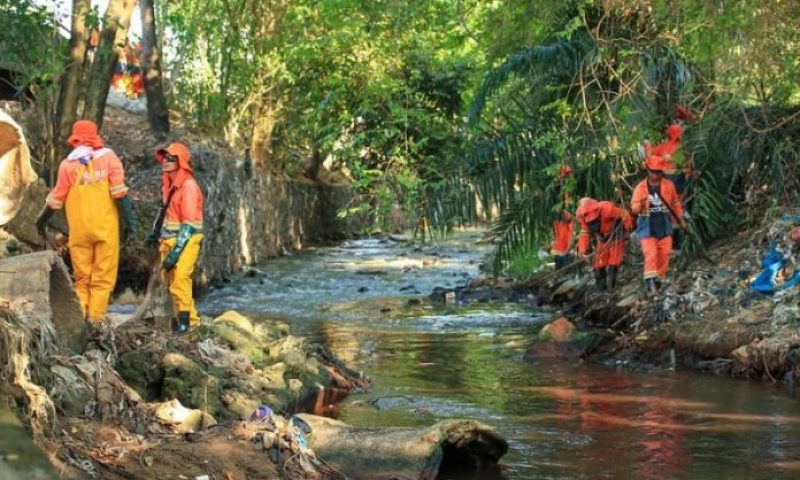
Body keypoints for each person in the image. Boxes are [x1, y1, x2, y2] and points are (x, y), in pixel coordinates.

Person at [35, 120, 137, 325]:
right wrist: (130, 224)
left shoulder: (67, 165)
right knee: (102, 280)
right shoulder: (109, 158)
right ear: (95, 135)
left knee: (82, 280)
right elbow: (120, 194)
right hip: (105, 231)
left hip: (80, 233)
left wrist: (40, 221)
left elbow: (55, 200)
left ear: (75, 138)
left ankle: (79, 322)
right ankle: (96, 322)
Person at [146, 142, 204, 334]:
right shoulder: (170, 185)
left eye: (171, 159)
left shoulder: (188, 187)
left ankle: (187, 325)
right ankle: (191, 320)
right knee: (172, 284)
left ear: (181, 162)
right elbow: (165, 212)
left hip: (186, 240)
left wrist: (176, 253)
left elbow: (189, 225)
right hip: (169, 239)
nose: (166, 162)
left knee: (180, 280)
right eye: (165, 158)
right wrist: (155, 233)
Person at [630, 155, 685, 296]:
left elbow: (675, 204)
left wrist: (680, 219)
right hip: (647, 227)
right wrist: (640, 205)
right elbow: (634, 208)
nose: (656, 174)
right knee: (651, 254)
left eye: (659, 172)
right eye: (653, 171)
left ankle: (658, 282)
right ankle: (650, 287)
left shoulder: (668, 185)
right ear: (648, 171)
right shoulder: (640, 188)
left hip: (664, 225)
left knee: (665, 254)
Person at [576, 197, 632, 291]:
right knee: (598, 263)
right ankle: (601, 288)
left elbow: (625, 214)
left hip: (615, 236)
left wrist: (627, 232)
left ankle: (611, 288)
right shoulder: (582, 217)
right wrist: (582, 250)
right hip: (602, 238)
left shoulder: (607, 209)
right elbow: (585, 232)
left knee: (614, 262)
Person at [550, 165, 575, 269]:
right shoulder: (557, 186)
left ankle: (565, 263)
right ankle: (561, 265)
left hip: (566, 214)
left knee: (566, 236)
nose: (567, 176)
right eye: (566, 174)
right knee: (561, 237)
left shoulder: (569, 186)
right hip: (560, 215)